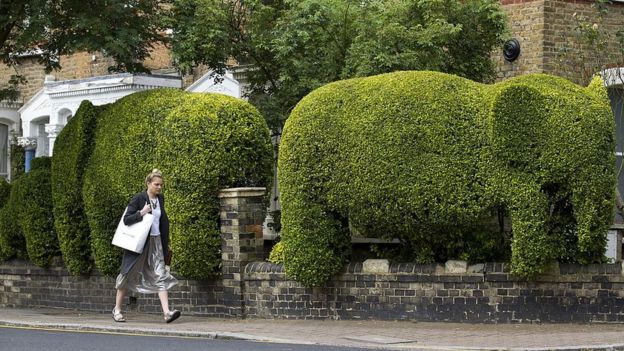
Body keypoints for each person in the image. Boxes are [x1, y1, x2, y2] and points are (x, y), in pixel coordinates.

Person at [112, 169, 180, 323]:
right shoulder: (139, 198)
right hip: (139, 243)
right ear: (148, 184)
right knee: (126, 275)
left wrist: (165, 243)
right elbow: (126, 220)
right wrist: (141, 213)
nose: (159, 187)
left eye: (161, 185)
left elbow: (161, 222)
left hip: (156, 242)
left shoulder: (160, 199)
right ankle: (117, 310)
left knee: (160, 273)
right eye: (156, 184)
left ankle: (167, 313)